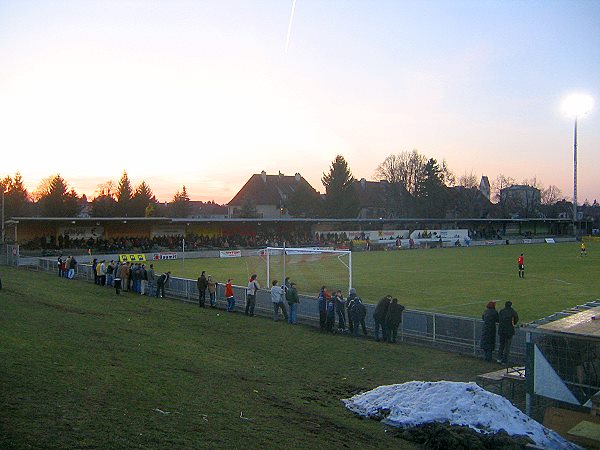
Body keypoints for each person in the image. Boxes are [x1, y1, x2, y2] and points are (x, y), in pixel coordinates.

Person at [497, 301, 519, 365]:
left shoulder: (501, 311)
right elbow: (516, 319)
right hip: (509, 331)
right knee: (507, 346)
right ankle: (504, 361)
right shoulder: (513, 312)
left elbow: (499, 319)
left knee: (501, 345)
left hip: (501, 330)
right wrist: (513, 324)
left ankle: (499, 359)